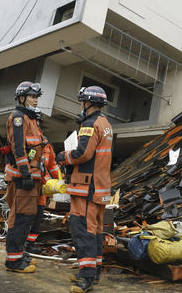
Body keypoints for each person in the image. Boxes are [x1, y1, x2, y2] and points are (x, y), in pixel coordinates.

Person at [57, 86, 113, 293]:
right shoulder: (106, 124)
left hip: (86, 187)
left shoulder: (89, 124)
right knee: (96, 231)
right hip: (100, 186)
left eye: (82, 102)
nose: (81, 106)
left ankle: (86, 279)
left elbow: (83, 154)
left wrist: (62, 156)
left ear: (88, 103)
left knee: (83, 230)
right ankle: (93, 272)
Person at [3, 81, 45, 273]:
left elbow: (35, 149)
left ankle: (18, 254)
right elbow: (18, 148)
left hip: (32, 176)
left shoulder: (31, 119)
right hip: (23, 178)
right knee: (20, 218)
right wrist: (26, 173)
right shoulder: (18, 117)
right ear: (22, 98)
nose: (36, 100)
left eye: (37, 97)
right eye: (32, 97)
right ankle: (13, 260)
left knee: (27, 217)